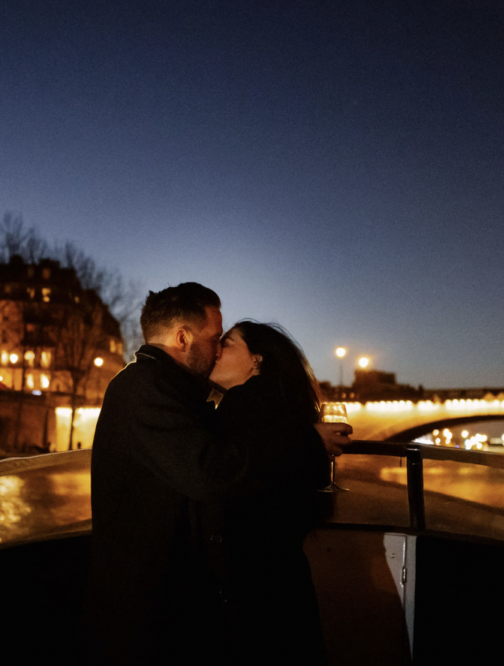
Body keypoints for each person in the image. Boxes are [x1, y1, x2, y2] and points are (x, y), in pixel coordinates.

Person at [85, 283, 350, 664]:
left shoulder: (174, 392)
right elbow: (210, 471)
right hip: (147, 606)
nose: (216, 350)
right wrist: (306, 441)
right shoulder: (145, 387)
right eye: (214, 339)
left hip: (168, 604)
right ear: (182, 338)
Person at [206, 320, 331, 664]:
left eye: (227, 344)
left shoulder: (245, 407)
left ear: (256, 360)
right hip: (284, 580)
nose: (216, 350)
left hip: (253, 584)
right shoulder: (280, 411)